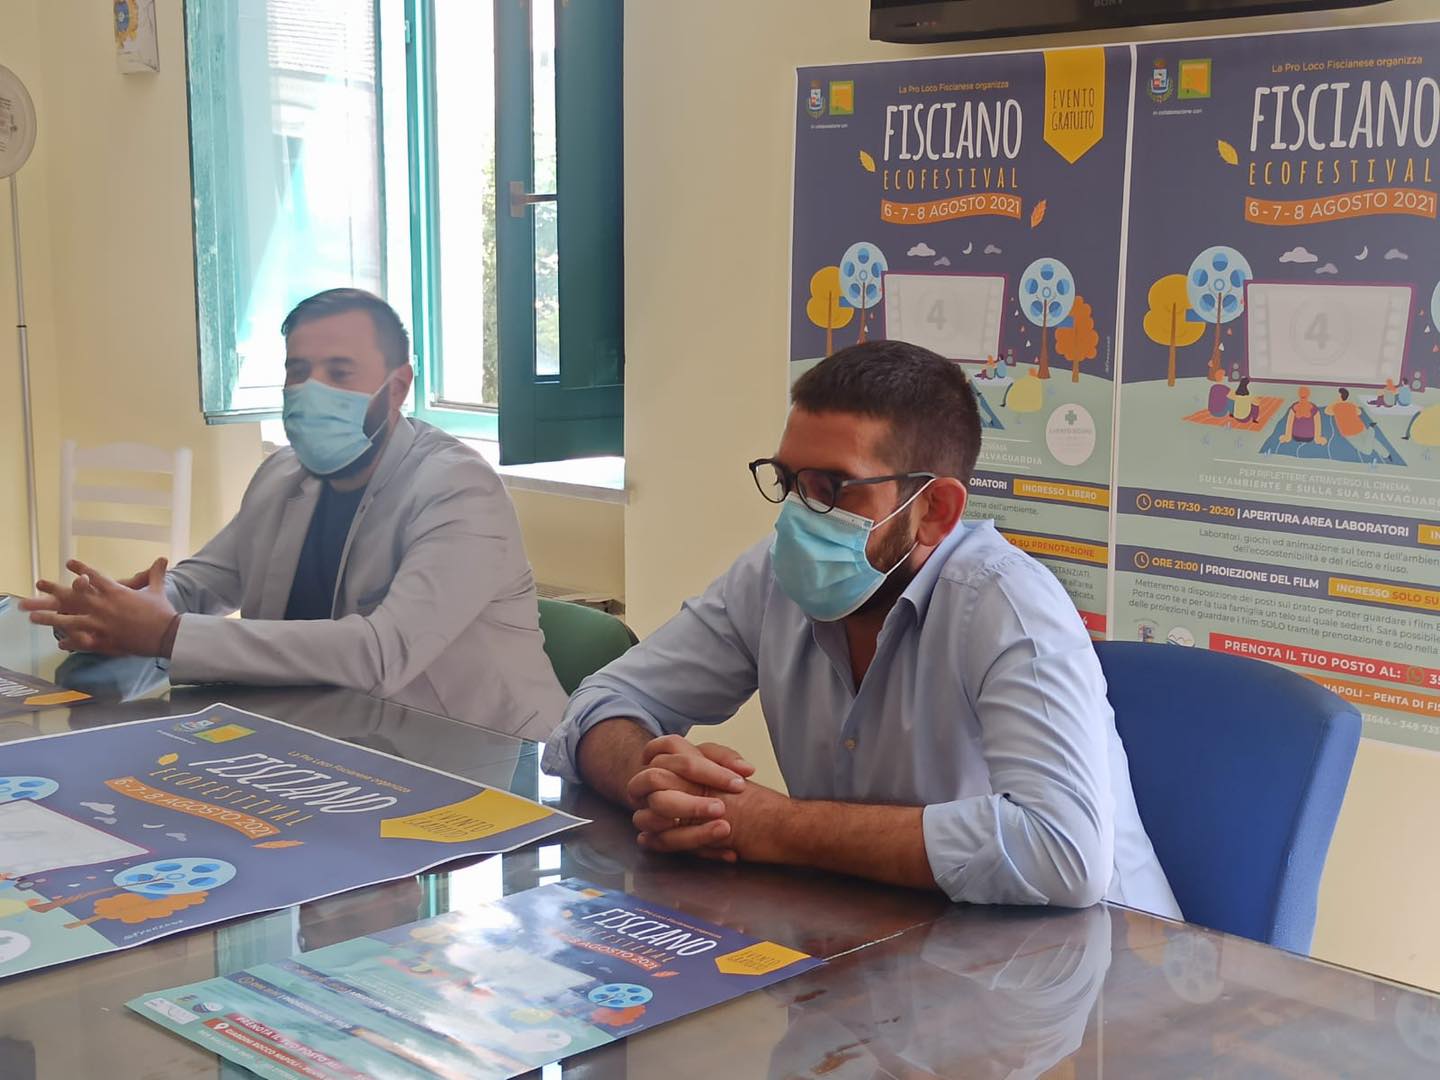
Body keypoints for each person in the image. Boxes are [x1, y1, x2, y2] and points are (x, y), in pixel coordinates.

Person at [544, 341, 1180, 916]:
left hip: (1092, 970)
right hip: (894, 937)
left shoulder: (1007, 605)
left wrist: (773, 826)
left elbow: (1062, 854)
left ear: (935, 510)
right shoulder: (772, 577)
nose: (799, 516)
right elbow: (601, 704)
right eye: (789, 482)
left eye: (834, 488)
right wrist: (663, 786)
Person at [22, 288, 565, 740]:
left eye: (339, 372)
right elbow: (204, 582)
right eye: (298, 371)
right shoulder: (284, 474)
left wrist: (167, 635)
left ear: (398, 387)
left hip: (486, 763)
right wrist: (115, 609)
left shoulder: (459, 489)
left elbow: (381, 655)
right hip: (328, 740)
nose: (311, 390)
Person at [1326, 388, 1378, 458]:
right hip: (1359, 427)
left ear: (1339, 396)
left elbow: (1327, 411)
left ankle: (1371, 430)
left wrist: (1335, 402)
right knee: (1372, 443)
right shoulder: (1351, 405)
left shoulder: (1336, 407)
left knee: (1367, 451)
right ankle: (1385, 453)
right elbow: (1359, 412)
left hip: (1349, 432)